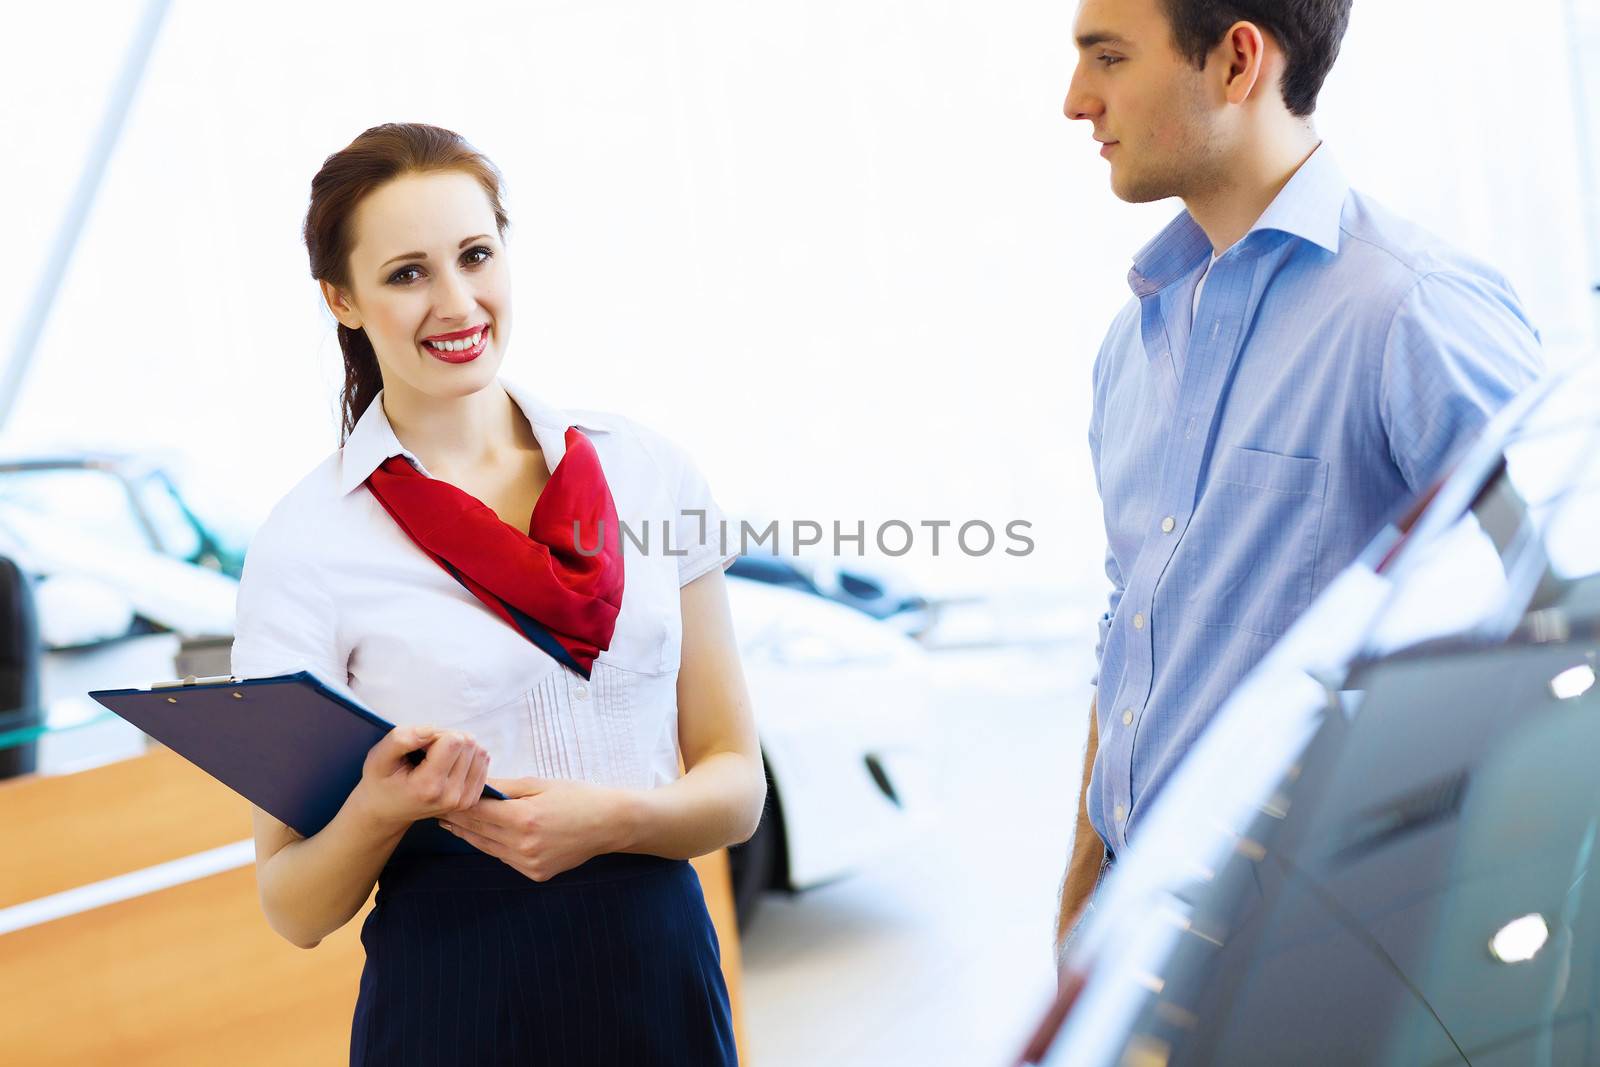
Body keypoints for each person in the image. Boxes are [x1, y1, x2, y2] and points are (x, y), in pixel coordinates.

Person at [231, 122, 765, 1065]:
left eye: (476, 255)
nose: (456, 301)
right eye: (406, 274)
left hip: (660, 976)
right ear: (341, 299)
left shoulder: (648, 471)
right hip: (454, 997)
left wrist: (620, 818)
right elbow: (293, 905)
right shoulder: (306, 545)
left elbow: (734, 780)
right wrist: (382, 807)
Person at [1053, 0, 1544, 963]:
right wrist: (1084, 886)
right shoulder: (1134, 342)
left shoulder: (1414, 310)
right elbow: (1135, 628)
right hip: (1142, 929)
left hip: (1334, 944)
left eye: (1107, 56)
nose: (1076, 101)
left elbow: (1562, 618)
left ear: (1239, 61)